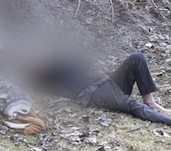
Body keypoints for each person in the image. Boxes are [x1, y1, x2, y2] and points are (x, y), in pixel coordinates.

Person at [29, 52, 171, 125]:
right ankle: (166, 120)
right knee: (134, 107)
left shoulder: (60, 63)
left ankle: (150, 102)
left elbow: (85, 63)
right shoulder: (46, 78)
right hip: (95, 94)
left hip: (106, 83)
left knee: (137, 58)